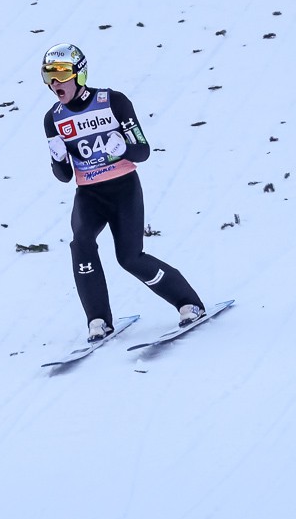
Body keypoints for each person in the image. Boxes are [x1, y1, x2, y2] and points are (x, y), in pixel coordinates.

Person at [40, 43, 206, 342]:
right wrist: (58, 158)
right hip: (89, 194)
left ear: (79, 74)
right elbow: (64, 177)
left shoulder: (112, 101)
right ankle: (98, 320)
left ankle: (187, 302)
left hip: (123, 188)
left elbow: (143, 151)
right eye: (48, 75)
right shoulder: (53, 118)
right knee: (81, 243)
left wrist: (124, 150)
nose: (54, 82)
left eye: (61, 74)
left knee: (129, 258)